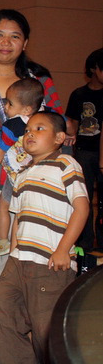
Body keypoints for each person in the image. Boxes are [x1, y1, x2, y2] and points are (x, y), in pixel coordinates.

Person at [0, 8, 74, 317]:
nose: (6, 43)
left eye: (15, 36)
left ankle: (28, 327)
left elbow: (59, 126)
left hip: (38, 185)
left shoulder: (39, 80)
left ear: (25, 42)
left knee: (32, 260)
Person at [0, 111, 88, 364]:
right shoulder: (22, 173)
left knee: (46, 329)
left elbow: (82, 208)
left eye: (39, 128)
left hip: (49, 263)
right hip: (18, 261)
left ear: (59, 138)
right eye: (26, 131)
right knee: (2, 311)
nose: (30, 134)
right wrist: (13, 254)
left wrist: (63, 250)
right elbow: (18, 219)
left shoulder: (66, 164)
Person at [0, 78, 44, 258]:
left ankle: (3, 241)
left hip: (17, 177)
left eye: (10, 103)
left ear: (26, 109)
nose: (5, 107)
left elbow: (0, 150)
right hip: (40, 176)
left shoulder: (12, 126)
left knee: (3, 206)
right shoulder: (46, 121)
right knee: (25, 212)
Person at [66, 48, 103, 251]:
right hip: (84, 152)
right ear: (94, 68)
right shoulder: (79, 94)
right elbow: (72, 122)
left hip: (100, 152)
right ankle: (85, 244)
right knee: (83, 198)